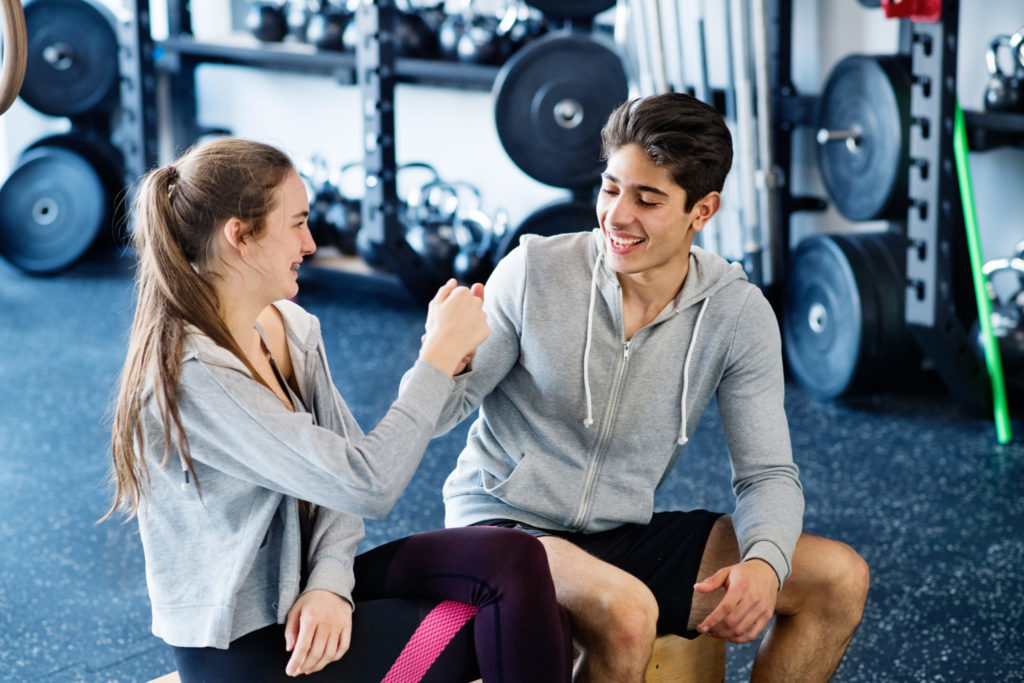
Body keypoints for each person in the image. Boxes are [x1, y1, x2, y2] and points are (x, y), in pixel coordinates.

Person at [426, 93, 870, 681]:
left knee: (837, 578)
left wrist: (765, 562)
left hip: (618, 533)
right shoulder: (534, 270)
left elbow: (767, 474)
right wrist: (440, 356)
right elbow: (438, 414)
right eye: (611, 188)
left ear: (702, 211)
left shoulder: (736, 313)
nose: (617, 215)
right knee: (627, 612)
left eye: (648, 198)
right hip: (505, 528)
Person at [104, 138, 572, 682]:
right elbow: (367, 484)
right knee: (518, 625)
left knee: (511, 560)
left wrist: (330, 583)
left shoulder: (290, 326)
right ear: (240, 237)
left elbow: (343, 471)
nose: (310, 241)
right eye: (297, 223)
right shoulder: (193, 374)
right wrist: (436, 361)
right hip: (247, 646)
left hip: (308, 595)